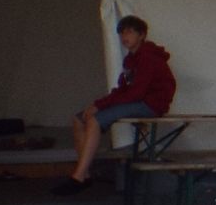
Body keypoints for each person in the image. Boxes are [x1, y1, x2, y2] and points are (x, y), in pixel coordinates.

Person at [54, 14, 175, 193]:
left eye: (130, 32)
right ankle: (85, 174)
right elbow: (123, 90)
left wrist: (100, 106)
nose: (125, 36)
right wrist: (98, 103)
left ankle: (78, 177)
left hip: (150, 104)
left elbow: (136, 93)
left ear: (142, 35)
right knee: (79, 119)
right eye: (122, 33)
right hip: (137, 100)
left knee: (95, 120)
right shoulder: (130, 59)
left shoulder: (148, 57)